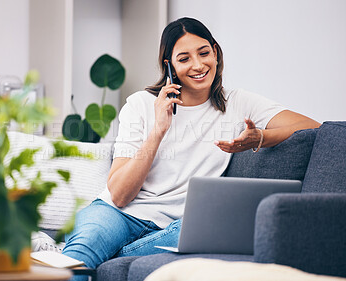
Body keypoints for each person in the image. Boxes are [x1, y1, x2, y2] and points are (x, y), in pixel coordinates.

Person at [62, 17, 320, 276]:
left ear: (216, 53)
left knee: (216, 229)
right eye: (184, 58)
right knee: (80, 255)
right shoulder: (140, 104)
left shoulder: (238, 103)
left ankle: (112, 255)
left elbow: (313, 126)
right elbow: (119, 196)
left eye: (204, 53)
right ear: (170, 66)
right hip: (117, 214)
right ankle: (99, 253)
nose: (198, 65)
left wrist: (261, 137)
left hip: (176, 227)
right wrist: (158, 130)